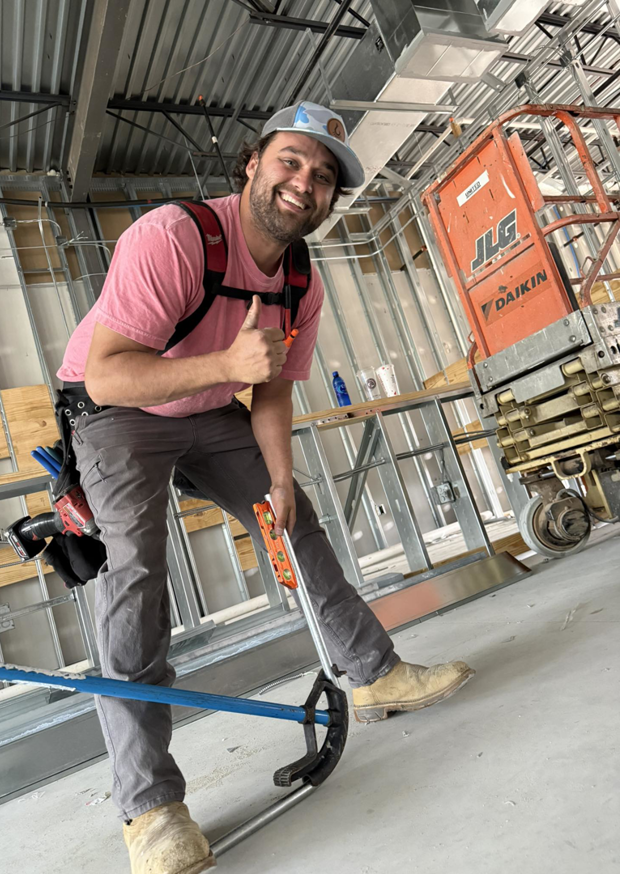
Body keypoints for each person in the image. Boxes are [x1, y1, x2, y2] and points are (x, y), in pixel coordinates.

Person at [57, 101, 474, 874]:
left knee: (295, 521)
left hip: (213, 408)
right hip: (116, 411)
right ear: (253, 162)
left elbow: (272, 390)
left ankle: (375, 674)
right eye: (291, 160)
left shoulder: (301, 277)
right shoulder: (175, 237)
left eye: (322, 177)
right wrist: (227, 368)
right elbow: (108, 372)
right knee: (135, 576)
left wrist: (280, 480)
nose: (303, 183)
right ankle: (149, 809)